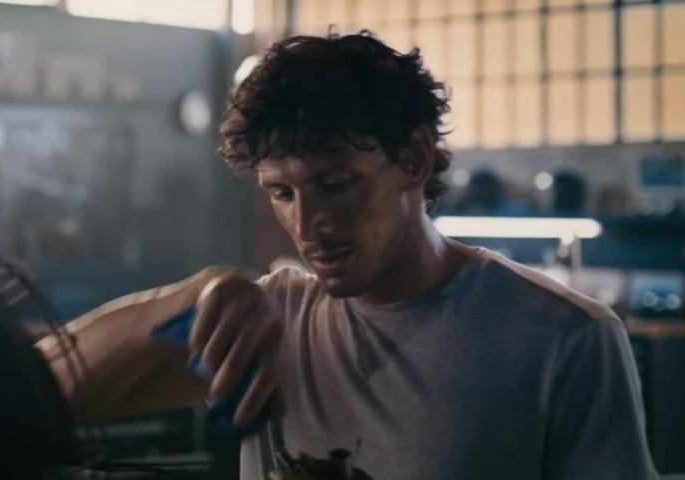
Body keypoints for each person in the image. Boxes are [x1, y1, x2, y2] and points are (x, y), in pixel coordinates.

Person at [38, 32, 658, 479]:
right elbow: (40, 388)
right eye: (282, 193)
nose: (307, 224)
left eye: (335, 184)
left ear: (413, 160)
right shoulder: (271, 322)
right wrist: (198, 294)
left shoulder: (563, 337)